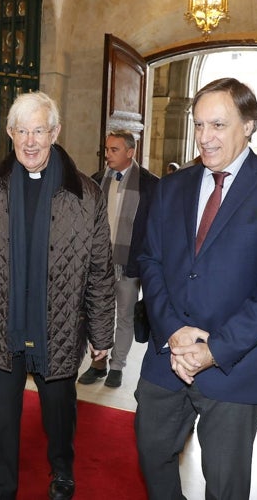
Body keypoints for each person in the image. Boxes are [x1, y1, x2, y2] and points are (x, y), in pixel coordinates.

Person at [135, 77, 257, 499]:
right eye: (198, 125)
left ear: (249, 125)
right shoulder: (171, 187)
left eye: (217, 125)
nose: (205, 138)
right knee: (151, 453)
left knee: (225, 483)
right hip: (167, 355)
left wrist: (213, 350)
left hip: (237, 362)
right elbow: (151, 262)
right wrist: (175, 332)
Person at [0, 91, 115, 500]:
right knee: (0, 419)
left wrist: (101, 335)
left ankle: (62, 470)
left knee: (59, 413)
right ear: (10, 134)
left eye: (39, 130)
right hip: (3, 325)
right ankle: (1, 489)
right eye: (22, 130)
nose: (30, 140)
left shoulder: (85, 195)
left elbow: (99, 272)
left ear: (55, 133)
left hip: (56, 327)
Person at [78, 130, 159, 388]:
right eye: (107, 149)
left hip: (128, 264)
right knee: (96, 314)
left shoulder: (150, 184)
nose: (108, 155)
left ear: (130, 152)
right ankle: (98, 363)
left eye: (114, 150)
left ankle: (117, 366)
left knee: (124, 316)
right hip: (97, 264)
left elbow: (154, 229)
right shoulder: (96, 180)